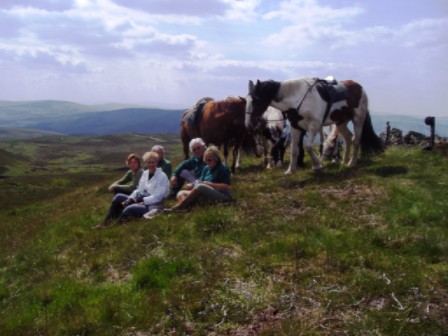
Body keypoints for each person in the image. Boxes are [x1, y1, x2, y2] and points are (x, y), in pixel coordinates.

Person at [93, 151, 169, 229]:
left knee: (130, 208)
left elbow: (158, 196)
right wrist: (131, 199)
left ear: (157, 162)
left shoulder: (162, 176)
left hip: (153, 205)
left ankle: (113, 227)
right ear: (146, 162)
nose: (151, 164)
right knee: (118, 197)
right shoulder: (145, 173)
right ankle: (106, 222)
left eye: (153, 162)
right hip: (142, 199)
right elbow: (139, 189)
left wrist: (144, 201)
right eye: (149, 162)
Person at [166, 145, 232, 212]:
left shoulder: (222, 168)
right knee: (181, 193)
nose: (207, 163)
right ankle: (185, 209)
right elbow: (200, 181)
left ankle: (180, 206)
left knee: (200, 186)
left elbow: (226, 186)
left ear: (216, 158)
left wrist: (209, 184)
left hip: (222, 195)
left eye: (209, 160)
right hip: (207, 194)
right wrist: (192, 185)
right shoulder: (206, 168)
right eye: (205, 160)